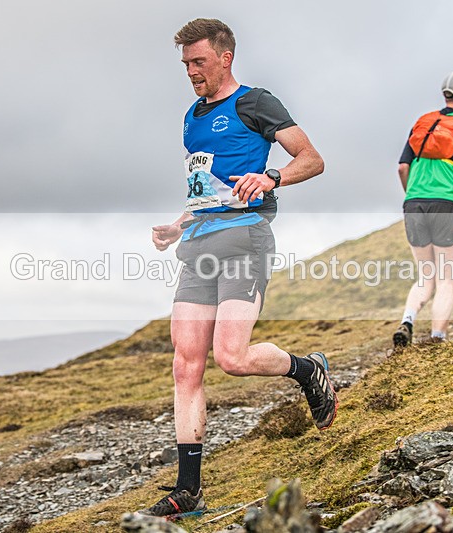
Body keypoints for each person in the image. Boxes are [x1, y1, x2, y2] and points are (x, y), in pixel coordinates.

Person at [142, 18, 337, 517]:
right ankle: (188, 491)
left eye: (198, 61)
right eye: (186, 64)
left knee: (231, 356)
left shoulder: (255, 102)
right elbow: (205, 190)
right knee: (186, 365)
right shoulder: (191, 116)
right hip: (199, 247)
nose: (191, 72)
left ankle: (307, 369)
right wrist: (178, 224)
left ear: (225, 56)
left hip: (246, 241)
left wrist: (270, 176)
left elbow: (312, 159)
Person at [393, 72, 453, 347]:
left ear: (445, 95)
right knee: (446, 279)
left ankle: (407, 319)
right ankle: (437, 337)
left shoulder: (423, 123)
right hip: (446, 204)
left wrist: (413, 196)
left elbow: (402, 167)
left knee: (425, 274)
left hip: (414, 203)